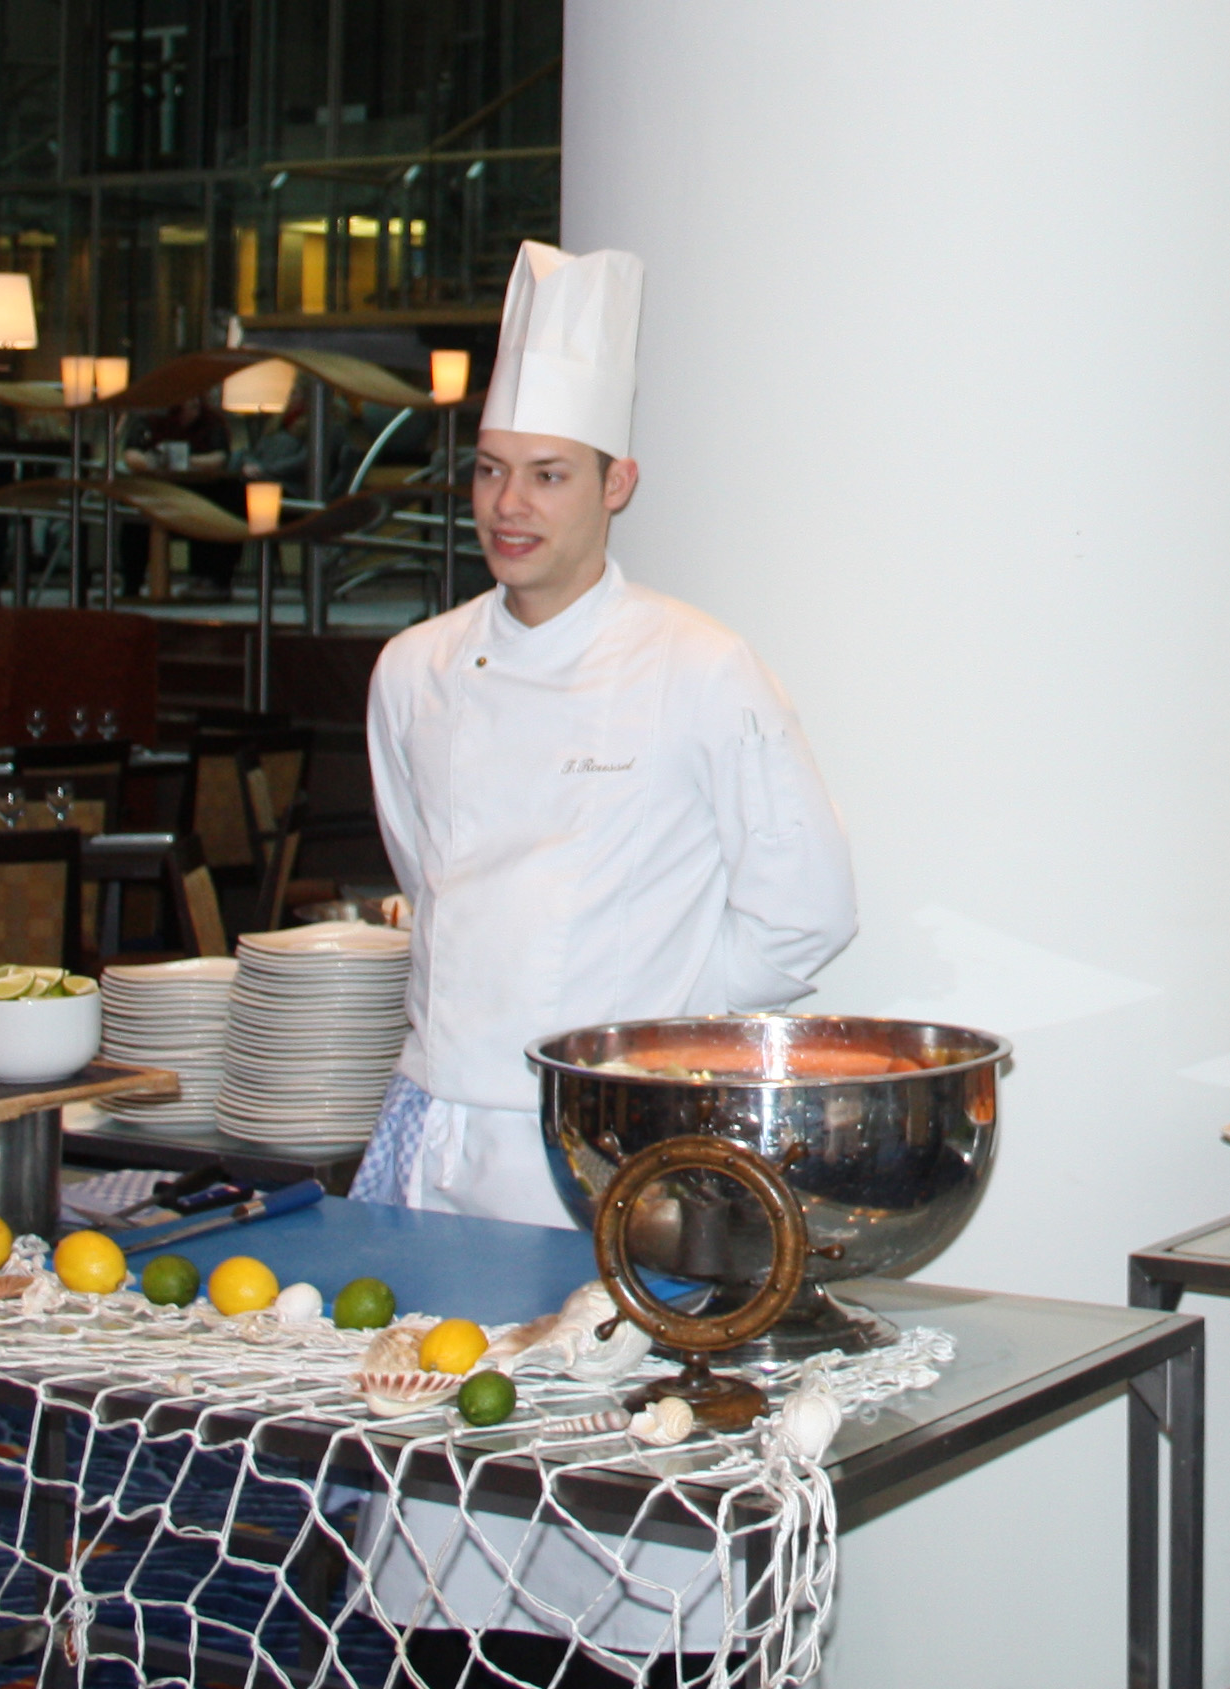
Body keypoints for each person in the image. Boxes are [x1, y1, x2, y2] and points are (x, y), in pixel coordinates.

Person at [351, 242, 858, 1684]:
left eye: (550, 474)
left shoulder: (699, 663)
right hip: (439, 1152)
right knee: (434, 1549)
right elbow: (425, 883)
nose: (511, 506)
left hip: (611, 1181)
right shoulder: (415, 669)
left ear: (617, 483)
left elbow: (805, 907)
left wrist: (651, 1057)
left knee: (623, 1538)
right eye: (493, 471)